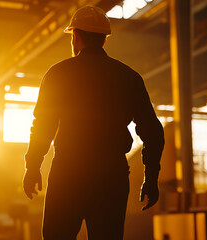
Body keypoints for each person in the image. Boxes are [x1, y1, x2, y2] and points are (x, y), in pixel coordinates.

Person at [23, 5, 165, 240]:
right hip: (111, 176)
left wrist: (32, 166)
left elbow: (43, 126)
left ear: (75, 36)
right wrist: (151, 177)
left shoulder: (58, 74)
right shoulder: (128, 77)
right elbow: (152, 132)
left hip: (68, 174)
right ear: (104, 40)